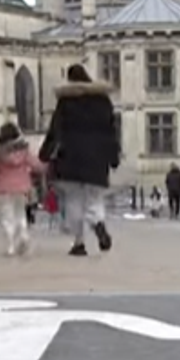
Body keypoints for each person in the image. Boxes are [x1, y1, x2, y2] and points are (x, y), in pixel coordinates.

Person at [38, 64, 119, 256]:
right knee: (94, 199)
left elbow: (55, 130)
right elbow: (111, 132)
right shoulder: (103, 101)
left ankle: (79, 243)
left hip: (70, 159)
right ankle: (98, 223)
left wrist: (45, 153)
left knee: (74, 201)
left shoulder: (66, 101)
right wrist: (113, 157)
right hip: (98, 160)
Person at [0, 123, 46, 256]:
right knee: (20, 214)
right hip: (22, 188)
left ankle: (10, 246)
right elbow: (36, 165)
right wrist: (47, 167)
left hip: (3, 189)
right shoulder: (24, 152)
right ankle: (24, 235)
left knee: (7, 217)